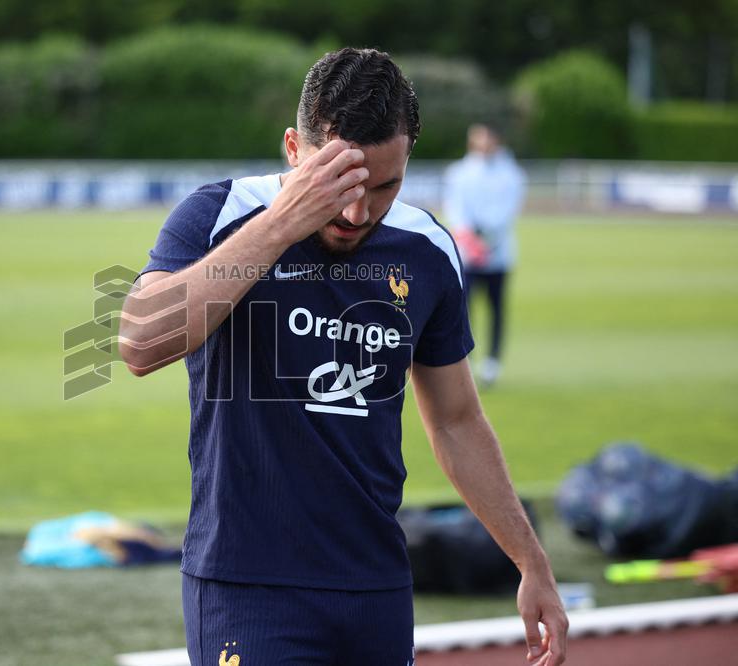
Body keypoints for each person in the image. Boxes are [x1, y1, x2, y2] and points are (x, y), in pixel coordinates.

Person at [119, 48, 566, 666]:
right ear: (294, 151)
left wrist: (530, 561)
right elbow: (139, 343)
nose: (357, 213)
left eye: (385, 186)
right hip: (247, 587)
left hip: (375, 587)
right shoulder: (217, 216)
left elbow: (458, 421)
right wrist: (283, 223)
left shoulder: (427, 251)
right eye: (341, 185)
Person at [442, 123, 526, 386]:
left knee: (496, 308)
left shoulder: (512, 174)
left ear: (496, 139)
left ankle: (492, 362)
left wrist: (486, 235)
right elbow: (455, 208)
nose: (480, 143)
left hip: (498, 253)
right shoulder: (459, 172)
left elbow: (507, 211)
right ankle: (466, 361)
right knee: (464, 311)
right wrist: (470, 235)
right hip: (469, 254)